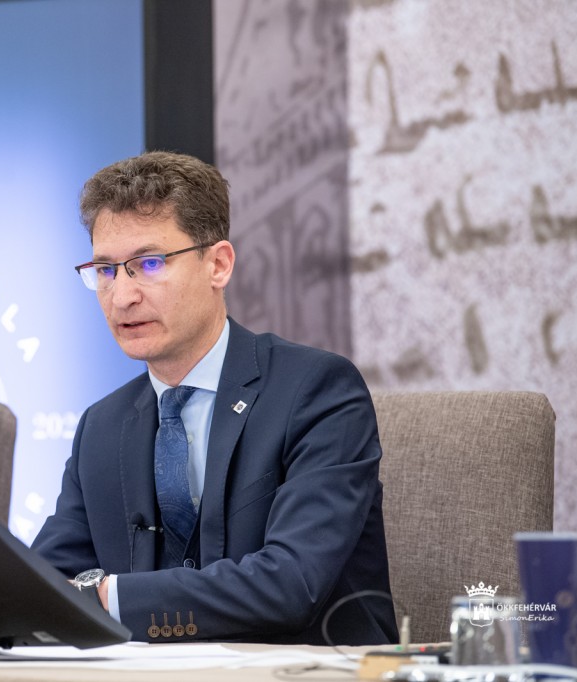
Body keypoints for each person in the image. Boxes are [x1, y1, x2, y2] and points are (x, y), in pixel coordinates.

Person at [32, 151, 397, 645]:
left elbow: (291, 583)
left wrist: (110, 598)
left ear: (218, 265)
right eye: (105, 270)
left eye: (149, 264)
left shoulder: (316, 390)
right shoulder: (103, 424)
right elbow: (43, 585)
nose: (121, 296)